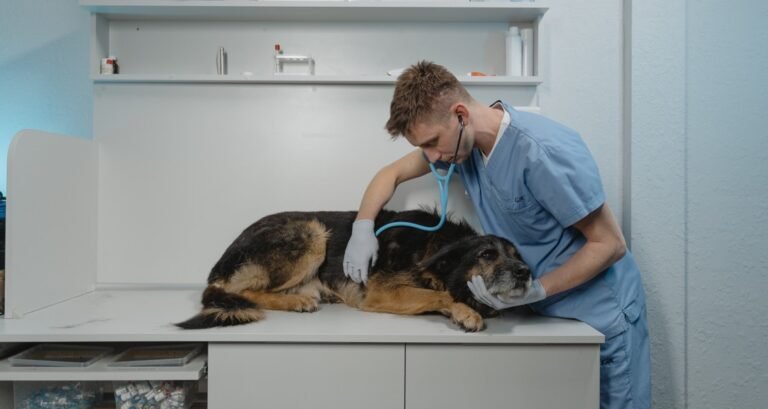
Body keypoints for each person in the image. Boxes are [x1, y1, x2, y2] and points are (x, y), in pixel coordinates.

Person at [342, 61, 650, 409]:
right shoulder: (463, 148)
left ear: (460, 115)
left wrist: (539, 289)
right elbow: (391, 173)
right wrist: (363, 226)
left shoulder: (542, 151)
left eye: (432, 143)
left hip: (596, 314)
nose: (432, 157)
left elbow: (610, 244)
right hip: (541, 316)